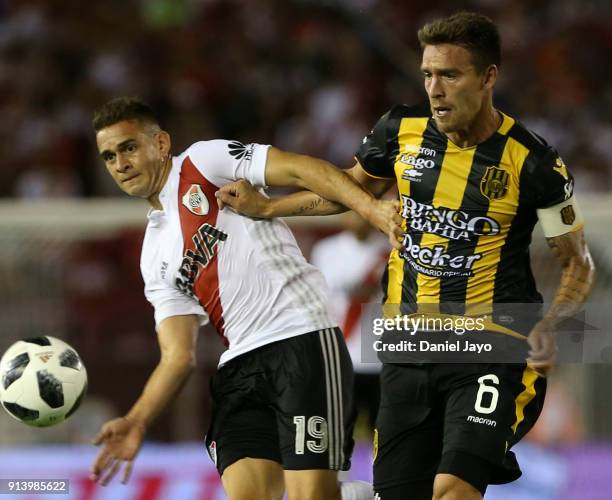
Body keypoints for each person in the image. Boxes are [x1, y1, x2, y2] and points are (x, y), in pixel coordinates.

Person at [215, 11, 596, 500]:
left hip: (492, 346)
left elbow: (578, 263)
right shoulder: (400, 129)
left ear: (488, 77)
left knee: (453, 488)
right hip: (409, 347)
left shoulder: (536, 161)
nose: (435, 88)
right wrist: (272, 207)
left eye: (450, 75)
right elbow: (347, 192)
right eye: (428, 75)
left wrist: (553, 324)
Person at [89, 97, 400, 500]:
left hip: (301, 342)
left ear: (161, 143)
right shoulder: (153, 256)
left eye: (129, 147)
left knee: (312, 496)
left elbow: (303, 169)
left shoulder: (203, 162)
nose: (120, 163)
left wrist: (372, 210)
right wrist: (136, 420)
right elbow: (177, 356)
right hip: (238, 369)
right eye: (109, 156)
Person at [310, 212, 388, 434]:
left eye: (363, 215)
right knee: (336, 435)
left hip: (380, 359)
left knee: (383, 436)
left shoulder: (390, 251)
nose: (359, 220)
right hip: (341, 358)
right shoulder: (326, 251)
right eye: (352, 214)